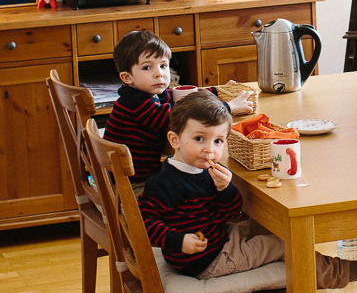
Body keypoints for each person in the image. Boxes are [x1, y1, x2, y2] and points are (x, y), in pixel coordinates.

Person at [138, 91, 357, 287]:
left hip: (222, 239)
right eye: (199, 139)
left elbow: (229, 213)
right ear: (175, 139)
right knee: (282, 244)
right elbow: (142, 223)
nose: (210, 150)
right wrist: (177, 240)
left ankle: (324, 268)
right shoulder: (163, 182)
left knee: (275, 226)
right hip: (207, 261)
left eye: (218, 141)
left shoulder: (207, 171)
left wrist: (226, 189)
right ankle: (336, 273)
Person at [103, 29, 253, 188]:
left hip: (134, 175)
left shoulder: (150, 93)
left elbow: (182, 97)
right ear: (127, 77)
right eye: (147, 68)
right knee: (193, 181)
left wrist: (216, 92)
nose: (159, 74)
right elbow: (179, 118)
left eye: (163, 65)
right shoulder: (134, 102)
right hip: (132, 184)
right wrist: (228, 107)